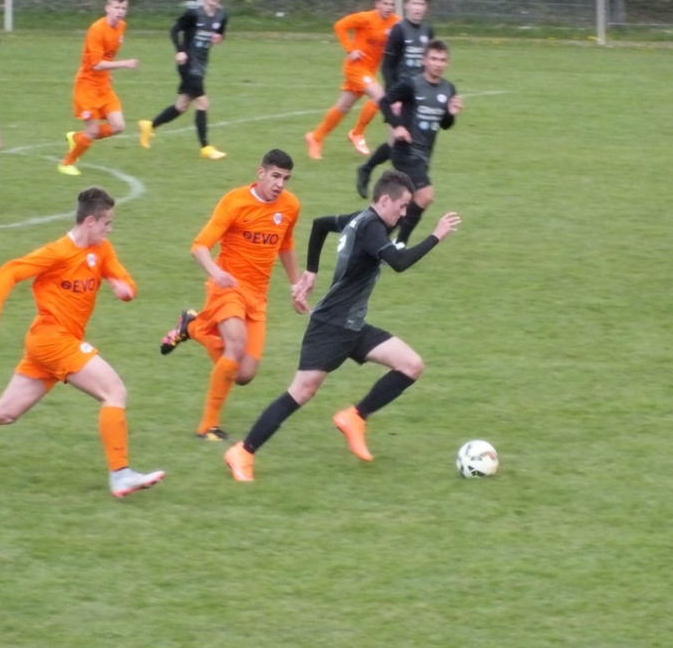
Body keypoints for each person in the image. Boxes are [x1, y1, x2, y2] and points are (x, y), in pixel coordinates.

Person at [0, 187, 165, 498]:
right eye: (107, 222)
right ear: (90, 221)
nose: (110, 229)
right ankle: (120, 474)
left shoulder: (102, 250)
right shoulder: (58, 253)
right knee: (114, 391)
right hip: (53, 339)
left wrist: (126, 290)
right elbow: (10, 272)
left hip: (48, 344)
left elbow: (126, 282)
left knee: (5, 412)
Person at [224, 170, 461, 481]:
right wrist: (436, 235)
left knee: (411, 365)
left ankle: (355, 418)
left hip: (353, 325)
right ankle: (243, 452)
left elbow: (321, 224)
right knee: (301, 392)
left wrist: (311, 271)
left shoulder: (359, 219)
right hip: (330, 327)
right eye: (402, 206)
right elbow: (399, 263)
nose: (404, 214)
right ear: (385, 200)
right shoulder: (372, 229)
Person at [159, 149, 305, 441]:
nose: (279, 184)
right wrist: (215, 272)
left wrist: (295, 285)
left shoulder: (290, 206)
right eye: (275, 176)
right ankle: (208, 426)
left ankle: (192, 326)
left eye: (285, 178)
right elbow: (200, 246)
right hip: (227, 288)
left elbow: (285, 244)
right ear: (261, 173)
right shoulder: (234, 202)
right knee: (235, 346)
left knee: (244, 375)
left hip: (257, 298)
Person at [375, 39, 462, 247]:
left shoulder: (448, 89)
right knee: (425, 195)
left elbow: (445, 124)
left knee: (402, 203)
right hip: (405, 151)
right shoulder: (411, 84)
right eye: (434, 59)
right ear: (424, 60)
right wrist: (397, 126)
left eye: (442, 60)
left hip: (424, 155)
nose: (438, 64)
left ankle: (372, 238)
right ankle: (399, 244)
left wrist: (450, 114)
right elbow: (384, 101)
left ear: (447, 63)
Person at [356, 0, 434, 198]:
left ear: (426, 7)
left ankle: (371, 171)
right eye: (414, 3)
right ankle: (380, 178)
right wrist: (394, 99)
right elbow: (387, 67)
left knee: (405, 144)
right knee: (398, 144)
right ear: (406, 6)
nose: (417, 8)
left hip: (418, 99)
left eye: (421, 4)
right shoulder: (399, 30)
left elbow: (428, 66)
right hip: (400, 96)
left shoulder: (428, 32)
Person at [138, 0, 228, 160]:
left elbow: (219, 34)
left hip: (201, 65)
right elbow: (174, 30)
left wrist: (219, 38)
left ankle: (149, 125)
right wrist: (180, 51)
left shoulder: (222, 15)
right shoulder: (193, 14)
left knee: (181, 106)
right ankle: (205, 147)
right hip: (187, 64)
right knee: (203, 103)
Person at [304, 0, 398, 160]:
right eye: (385, 3)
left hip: (368, 72)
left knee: (344, 106)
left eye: (391, 4)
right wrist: (350, 50)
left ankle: (315, 138)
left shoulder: (395, 23)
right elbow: (340, 25)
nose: (388, 7)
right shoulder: (365, 18)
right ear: (377, 4)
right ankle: (357, 133)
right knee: (380, 98)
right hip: (355, 67)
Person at [58, 0, 139, 176]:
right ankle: (66, 163)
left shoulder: (121, 27)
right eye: (116, 8)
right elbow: (96, 64)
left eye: (123, 8)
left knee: (118, 126)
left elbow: (106, 56)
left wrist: (108, 75)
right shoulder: (96, 30)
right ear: (107, 8)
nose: (120, 12)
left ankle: (77, 137)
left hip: (103, 86)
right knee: (93, 131)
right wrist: (124, 64)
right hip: (87, 87)